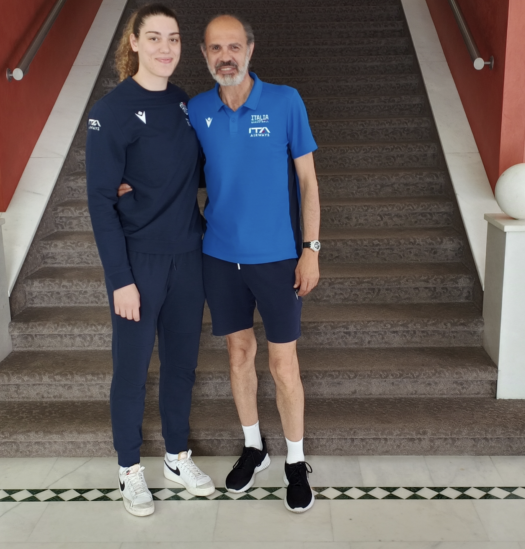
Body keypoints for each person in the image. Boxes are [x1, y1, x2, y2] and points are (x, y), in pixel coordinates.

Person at [85, 3, 215, 518]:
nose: (166, 47)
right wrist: (120, 279)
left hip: (189, 256)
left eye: (174, 38)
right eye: (155, 37)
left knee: (181, 365)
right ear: (134, 42)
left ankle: (177, 458)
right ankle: (129, 468)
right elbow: (99, 200)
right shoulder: (111, 110)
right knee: (132, 370)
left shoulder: (184, 103)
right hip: (139, 262)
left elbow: (191, 173)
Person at [190, 14, 321, 513]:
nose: (225, 56)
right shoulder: (197, 110)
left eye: (234, 47)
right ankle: (254, 447)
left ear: (249, 50)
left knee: (283, 363)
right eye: (215, 48)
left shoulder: (286, 102)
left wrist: (311, 249)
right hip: (220, 256)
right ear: (205, 54)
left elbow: (308, 182)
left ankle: (295, 461)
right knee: (238, 354)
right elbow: (175, 169)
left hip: (278, 257)